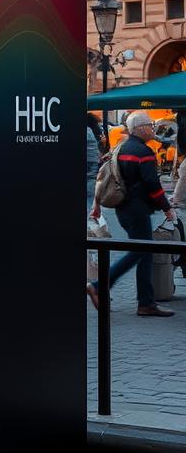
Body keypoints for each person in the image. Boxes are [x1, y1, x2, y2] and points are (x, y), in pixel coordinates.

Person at [89, 110, 176, 316]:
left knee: (143, 251)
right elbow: (153, 184)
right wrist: (167, 207)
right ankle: (100, 285)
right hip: (137, 209)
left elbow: (103, 176)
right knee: (139, 250)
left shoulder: (121, 148)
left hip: (123, 209)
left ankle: (146, 302)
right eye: (150, 126)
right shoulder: (143, 152)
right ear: (141, 128)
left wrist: (98, 203)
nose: (153, 129)